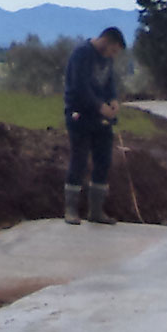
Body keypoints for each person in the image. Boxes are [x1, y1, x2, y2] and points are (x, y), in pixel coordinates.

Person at [63, 28, 125, 226]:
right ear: (106, 41)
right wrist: (99, 106)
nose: (112, 55)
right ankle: (71, 209)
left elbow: (109, 83)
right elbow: (80, 87)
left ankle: (96, 211)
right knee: (79, 159)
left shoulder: (107, 59)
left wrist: (113, 100)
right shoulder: (81, 54)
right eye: (113, 50)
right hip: (79, 114)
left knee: (103, 161)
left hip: (101, 118)